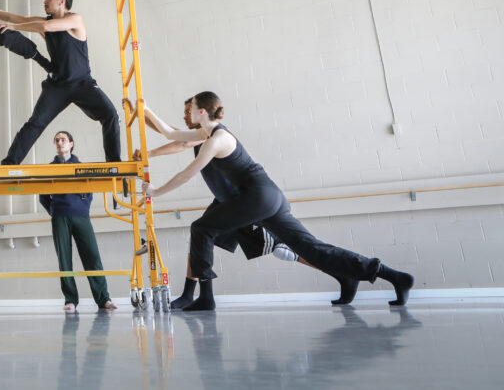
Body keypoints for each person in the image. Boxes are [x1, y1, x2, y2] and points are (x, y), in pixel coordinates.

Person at [141, 91, 414, 311]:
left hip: (257, 197)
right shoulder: (207, 134)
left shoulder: (217, 138)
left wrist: (155, 192)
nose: (187, 113)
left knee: (202, 228)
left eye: (191, 109)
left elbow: (187, 174)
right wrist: (141, 107)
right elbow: (170, 133)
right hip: (268, 197)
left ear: (202, 111)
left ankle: (204, 298)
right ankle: (393, 276)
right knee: (311, 248)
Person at [0, 0, 121, 166]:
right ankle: (10, 163)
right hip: (57, 86)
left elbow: (43, 27)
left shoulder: (75, 20)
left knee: (111, 115)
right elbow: (13, 17)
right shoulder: (43, 22)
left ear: (61, 1)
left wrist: (14, 27)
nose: (45, 1)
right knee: (35, 123)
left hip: (82, 83)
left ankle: (115, 164)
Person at [39, 131, 117, 312]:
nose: (59, 142)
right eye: (56, 140)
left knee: (92, 257)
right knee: (64, 261)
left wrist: (82, 207)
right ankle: (70, 300)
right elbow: (43, 196)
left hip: (81, 216)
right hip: (60, 217)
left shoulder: (81, 166)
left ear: (71, 144)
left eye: (63, 140)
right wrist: (54, 210)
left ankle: (103, 299)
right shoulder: (49, 168)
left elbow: (89, 191)